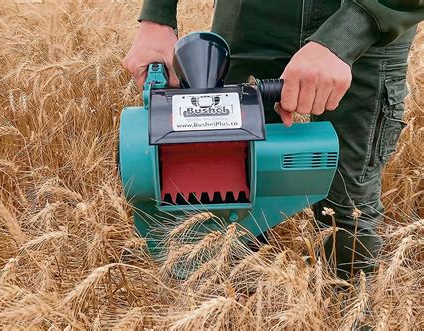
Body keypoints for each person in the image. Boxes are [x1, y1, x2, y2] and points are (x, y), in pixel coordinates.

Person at [123, 0, 424, 279]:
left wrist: (347, 34)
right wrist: (157, 16)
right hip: (250, 19)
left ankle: (351, 308)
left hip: (369, 31)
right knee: (219, 203)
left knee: (348, 212)